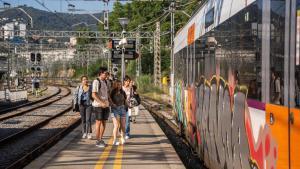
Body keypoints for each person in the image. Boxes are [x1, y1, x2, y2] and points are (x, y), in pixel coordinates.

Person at [92, 67, 110, 148]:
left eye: (106, 73)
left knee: (104, 122)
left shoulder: (106, 81)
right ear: (101, 73)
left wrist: (110, 103)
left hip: (106, 105)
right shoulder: (96, 81)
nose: (106, 75)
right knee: (98, 122)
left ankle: (100, 138)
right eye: (105, 73)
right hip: (98, 105)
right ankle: (97, 140)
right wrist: (101, 102)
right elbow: (93, 94)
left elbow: (107, 94)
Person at [110, 80, 127, 145]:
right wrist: (112, 104)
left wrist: (129, 105)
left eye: (120, 84)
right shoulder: (112, 92)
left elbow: (125, 101)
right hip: (115, 110)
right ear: (115, 85)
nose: (119, 86)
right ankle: (114, 140)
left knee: (123, 125)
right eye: (118, 84)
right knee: (116, 125)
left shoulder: (123, 92)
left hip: (122, 109)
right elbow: (109, 99)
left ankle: (122, 137)